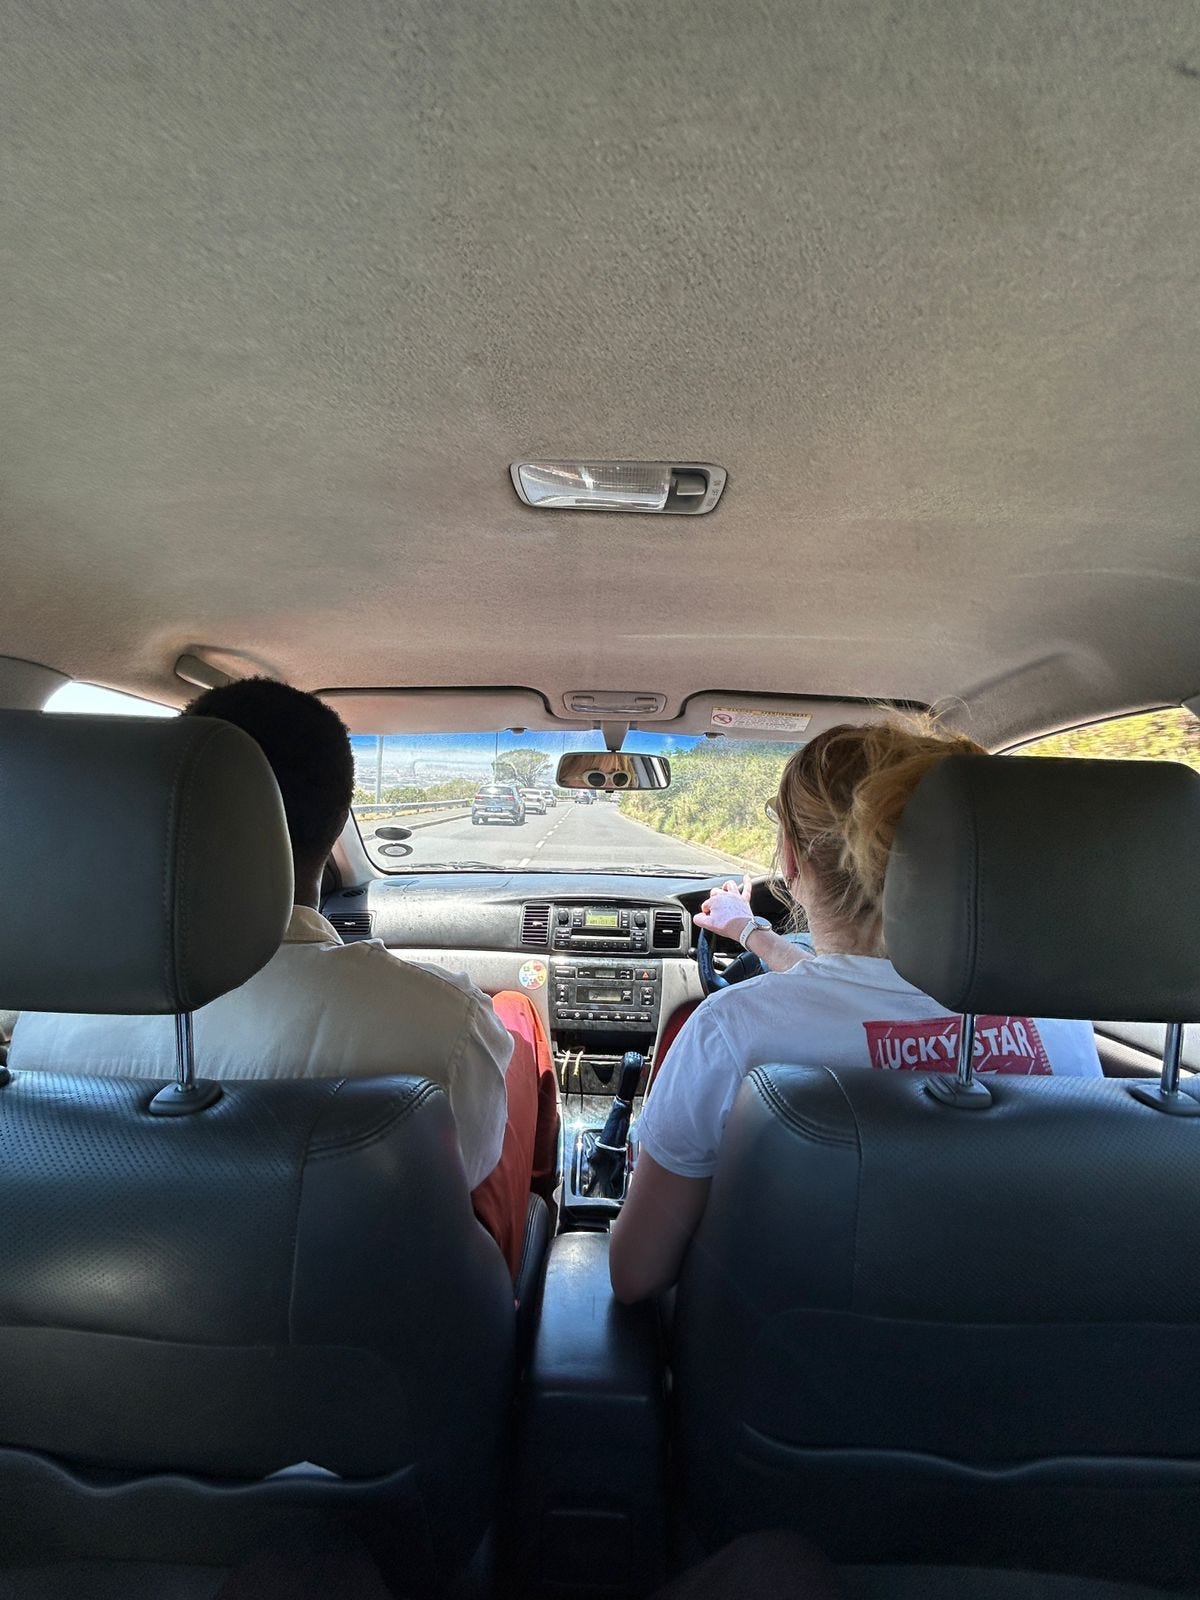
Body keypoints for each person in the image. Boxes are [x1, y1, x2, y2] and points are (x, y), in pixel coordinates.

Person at [10, 679, 557, 1277]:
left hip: (85, 1322)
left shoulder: (39, 1030)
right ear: (335, 824)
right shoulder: (446, 1024)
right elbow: (469, 1182)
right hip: (358, 1324)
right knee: (514, 1018)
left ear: (169, 810)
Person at [610, 718, 1102, 1304]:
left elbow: (636, 1276)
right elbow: (855, 992)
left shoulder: (731, 1029)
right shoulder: (1059, 1021)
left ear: (791, 861)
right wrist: (752, 934)